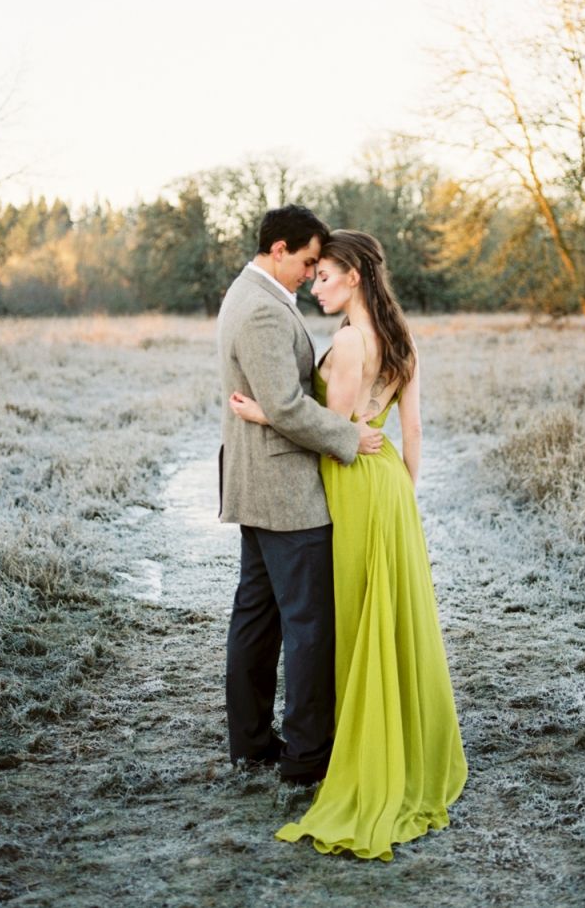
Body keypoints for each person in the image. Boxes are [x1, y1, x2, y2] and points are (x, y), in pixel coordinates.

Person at [229, 229, 468, 861]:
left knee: (353, 614)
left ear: (355, 277)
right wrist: (403, 500)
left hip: (352, 482)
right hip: (388, 482)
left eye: (326, 275)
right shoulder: (402, 338)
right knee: (381, 612)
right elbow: (409, 429)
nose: (316, 283)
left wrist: (264, 415)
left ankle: (343, 745)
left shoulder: (356, 341)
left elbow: (332, 429)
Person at [217, 206, 384, 786]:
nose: (311, 274)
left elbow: (274, 405)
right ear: (280, 248)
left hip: (259, 482)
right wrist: (348, 436)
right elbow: (285, 407)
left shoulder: (249, 295)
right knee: (308, 622)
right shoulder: (261, 309)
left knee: (257, 618)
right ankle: (308, 755)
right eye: (309, 261)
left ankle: (254, 744)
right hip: (284, 488)